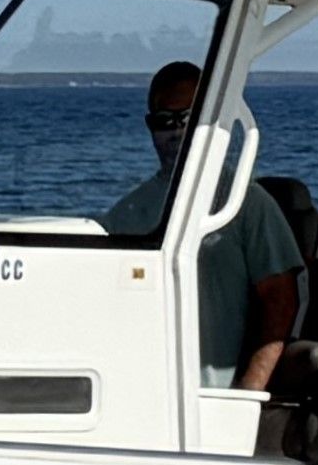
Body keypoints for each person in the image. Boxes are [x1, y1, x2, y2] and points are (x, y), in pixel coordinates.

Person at [97, 60, 305, 384]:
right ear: (149, 126)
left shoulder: (246, 203)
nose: (176, 130)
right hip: (143, 390)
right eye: (164, 120)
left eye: (188, 118)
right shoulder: (125, 212)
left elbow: (281, 301)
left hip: (213, 396)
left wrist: (249, 392)